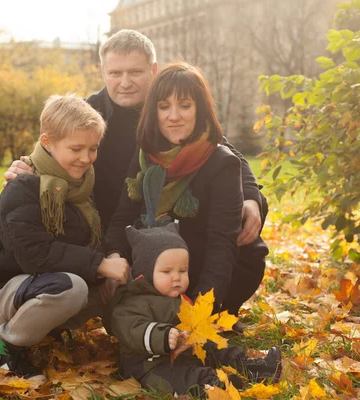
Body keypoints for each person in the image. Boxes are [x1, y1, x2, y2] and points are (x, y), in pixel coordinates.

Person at [4, 30, 269, 318]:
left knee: (240, 244)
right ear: (103, 71)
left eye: (135, 72)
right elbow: (51, 147)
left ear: (153, 71)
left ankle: (211, 312)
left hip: (164, 223)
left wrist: (252, 198)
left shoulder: (170, 108)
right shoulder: (89, 111)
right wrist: (26, 168)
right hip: (110, 224)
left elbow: (225, 153)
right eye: (115, 73)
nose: (125, 82)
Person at [0, 95, 130, 378]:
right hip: (0, 292)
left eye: (93, 149)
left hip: (41, 283)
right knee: (73, 287)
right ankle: (4, 345)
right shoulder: (23, 188)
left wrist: (108, 261)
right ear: (47, 142)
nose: (86, 158)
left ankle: (138, 342)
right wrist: (98, 264)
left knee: (114, 285)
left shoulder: (78, 187)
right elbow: (35, 254)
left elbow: (85, 240)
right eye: (76, 148)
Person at [104, 62, 269, 314]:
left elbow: (221, 246)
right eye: (164, 107)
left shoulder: (221, 161)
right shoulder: (145, 155)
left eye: (184, 105)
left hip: (212, 270)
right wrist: (114, 255)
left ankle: (219, 311)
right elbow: (123, 216)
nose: (174, 115)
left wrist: (201, 312)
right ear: (154, 112)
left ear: (199, 110)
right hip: (164, 269)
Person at [103, 222, 281, 396]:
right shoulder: (131, 301)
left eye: (182, 270)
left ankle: (252, 367)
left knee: (216, 347)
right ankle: (212, 385)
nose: (176, 278)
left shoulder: (181, 299)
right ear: (145, 273)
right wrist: (162, 336)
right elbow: (130, 328)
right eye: (167, 272)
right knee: (179, 377)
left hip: (187, 352)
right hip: (149, 364)